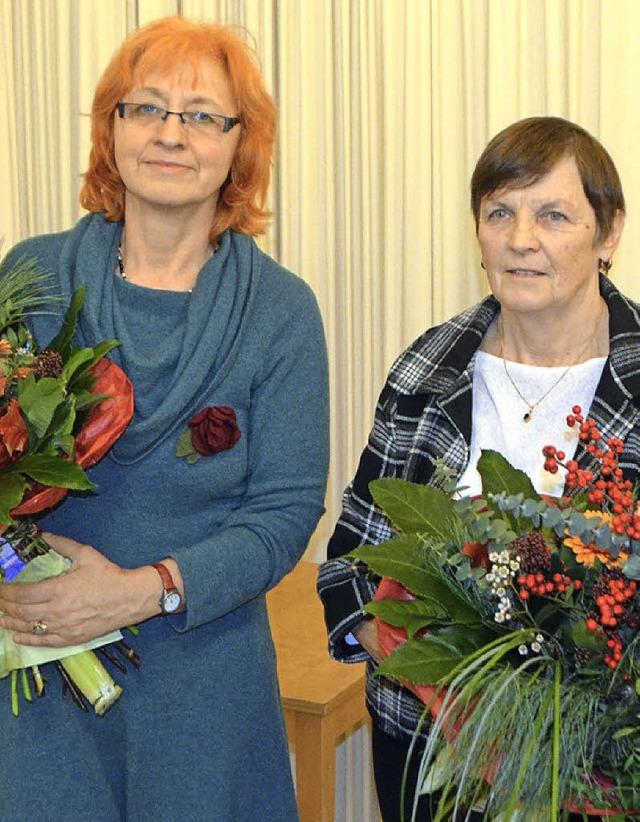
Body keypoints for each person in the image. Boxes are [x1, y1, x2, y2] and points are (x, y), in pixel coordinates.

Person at [0, 16, 329, 821]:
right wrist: (18, 579)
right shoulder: (32, 277)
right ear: (110, 129)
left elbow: (285, 513)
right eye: (145, 108)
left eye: (201, 115)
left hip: (202, 688)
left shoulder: (280, 312)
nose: (170, 134)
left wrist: (142, 592)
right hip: (37, 677)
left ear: (238, 145)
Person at [317, 115, 640, 821]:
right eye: (500, 213)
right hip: (427, 759)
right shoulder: (429, 365)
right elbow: (348, 567)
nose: (521, 239)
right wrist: (439, 680)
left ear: (609, 233)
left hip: (600, 775)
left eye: (554, 215)